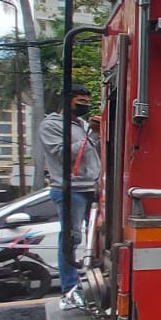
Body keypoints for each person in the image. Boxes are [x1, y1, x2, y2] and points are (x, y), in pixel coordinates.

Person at [42, 82, 102, 306]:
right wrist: (89, 137)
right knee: (71, 239)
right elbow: (61, 153)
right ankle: (69, 289)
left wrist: (95, 135)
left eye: (87, 101)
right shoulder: (51, 125)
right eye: (80, 101)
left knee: (95, 239)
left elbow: (91, 152)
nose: (85, 105)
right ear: (67, 100)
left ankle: (91, 282)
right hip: (70, 190)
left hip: (90, 187)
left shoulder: (82, 124)